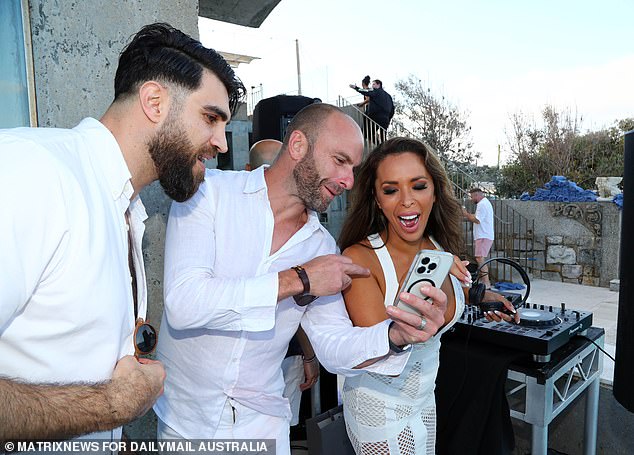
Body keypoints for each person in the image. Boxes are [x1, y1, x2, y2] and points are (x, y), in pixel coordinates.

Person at [0, 22, 245, 443]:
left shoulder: (125, 208)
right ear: (154, 101)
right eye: (210, 118)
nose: (221, 143)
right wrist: (111, 406)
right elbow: (110, 395)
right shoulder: (33, 172)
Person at [154, 104, 437, 455]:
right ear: (299, 145)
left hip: (264, 425)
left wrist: (395, 335)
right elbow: (185, 303)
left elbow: (333, 345)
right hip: (183, 424)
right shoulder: (207, 193)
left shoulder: (321, 247)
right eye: (340, 160)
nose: (349, 181)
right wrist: (300, 280)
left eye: (353, 168)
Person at [337, 138, 516, 455]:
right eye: (391, 190)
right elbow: (381, 347)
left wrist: (480, 295)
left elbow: (446, 294)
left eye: (418, 186)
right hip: (380, 409)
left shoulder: (437, 247)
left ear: (434, 191)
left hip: (424, 400)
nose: (406, 200)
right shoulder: (360, 260)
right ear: (377, 199)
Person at [247, 138, 320, 428]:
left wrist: (308, 354)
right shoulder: (225, 217)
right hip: (224, 384)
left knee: (279, 429)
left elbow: (302, 309)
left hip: (287, 355)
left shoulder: (312, 235)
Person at [463, 188, 495, 288]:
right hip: (484, 235)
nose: (471, 199)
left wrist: (465, 214)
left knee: (479, 258)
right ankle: (483, 280)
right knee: (480, 258)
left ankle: (487, 283)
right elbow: (478, 216)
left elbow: (477, 219)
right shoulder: (485, 203)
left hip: (483, 235)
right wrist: (469, 215)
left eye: (472, 197)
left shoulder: (482, 204)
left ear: (477, 195)